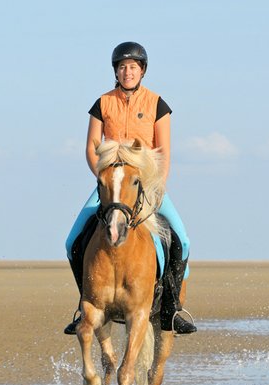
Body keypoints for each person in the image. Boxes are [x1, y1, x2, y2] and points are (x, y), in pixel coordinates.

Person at [64, 41, 196, 335]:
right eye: (122, 67)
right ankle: (84, 304)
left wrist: (157, 187)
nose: (127, 72)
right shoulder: (102, 103)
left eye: (133, 67)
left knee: (182, 240)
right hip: (111, 186)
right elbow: (90, 147)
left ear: (142, 71)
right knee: (72, 241)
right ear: (116, 71)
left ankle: (171, 310)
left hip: (146, 186)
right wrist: (102, 179)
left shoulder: (157, 104)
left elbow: (163, 151)